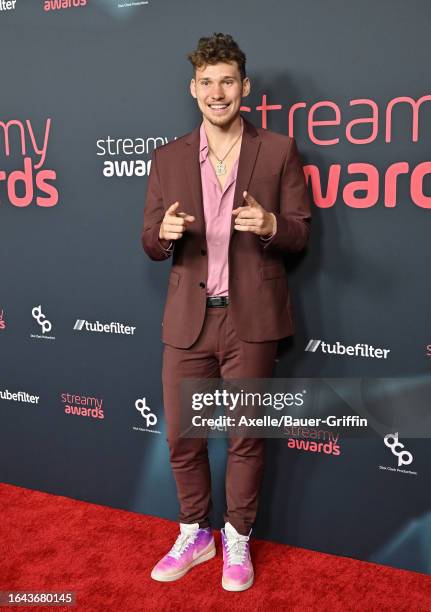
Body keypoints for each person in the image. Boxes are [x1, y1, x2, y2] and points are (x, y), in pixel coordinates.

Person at [141, 32, 311, 592]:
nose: (218, 92)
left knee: (244, 437)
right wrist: (162, 237)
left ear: (245, 87)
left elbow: (300, 232)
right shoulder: (166, 158)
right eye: (207, 82)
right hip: (189, 319)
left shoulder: (279, 150)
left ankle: (237, 536)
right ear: (194, 90)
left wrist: (271, 226)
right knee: (183, 437)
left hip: (251, 321)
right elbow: (147, 238)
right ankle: (195, 532)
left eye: (228, 82)